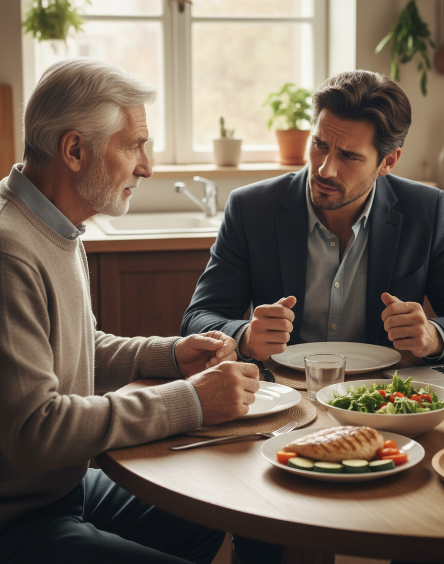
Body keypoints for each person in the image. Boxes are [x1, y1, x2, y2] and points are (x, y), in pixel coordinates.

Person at [0, 58, 261, 564]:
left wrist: (171, 356)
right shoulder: (11, 251)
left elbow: (81, 349)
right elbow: (36, 430)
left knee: (210, 516)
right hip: (18, 518)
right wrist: (190, 400)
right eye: (134, 145)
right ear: (75, 150)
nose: (147, 166)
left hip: (60, 493)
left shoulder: (57, 225)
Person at [182, 70, 444, 364]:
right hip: (284, 391)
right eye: (320, 145)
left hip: (382, 397)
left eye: (348, 155)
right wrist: (246, 336)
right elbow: (200, 317)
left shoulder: (424, 210)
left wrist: (432, 337)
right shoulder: (251, 208)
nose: (324, 168)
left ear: (388, 161)